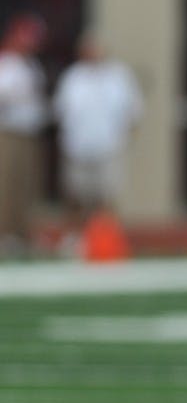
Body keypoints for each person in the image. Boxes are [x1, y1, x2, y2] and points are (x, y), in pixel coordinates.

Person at [52, 33, 143, 249]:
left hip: (108, 146)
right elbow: (60, 111)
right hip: (76, 147)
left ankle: (105, 239)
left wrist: (123, 140)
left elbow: (134, 112)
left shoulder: (119, 76)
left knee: (106, 195)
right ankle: (75, 238)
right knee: (76, 195)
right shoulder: (73, 77)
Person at [0, 13, 48, 258]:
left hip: (29, 133)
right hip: (8, 132)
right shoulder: (6, 63)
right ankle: (5, 233)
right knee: (6, 184)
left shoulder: (32, 66)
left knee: (25, 185)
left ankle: (21, 232)